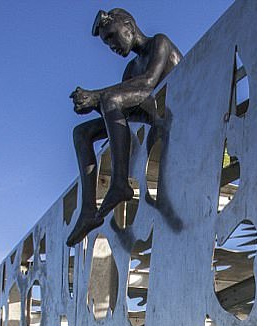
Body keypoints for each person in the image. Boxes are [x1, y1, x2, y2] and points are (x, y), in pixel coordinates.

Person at [66, 8, 182, 246]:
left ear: (129, 25)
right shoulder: (130, 70)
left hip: (183, 120)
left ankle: (120, 183)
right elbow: (123, 110)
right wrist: (92, 103)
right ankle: (88, 210)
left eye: (111, 36)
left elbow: (148, 84)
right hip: (156, 122)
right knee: (81, 133)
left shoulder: (159, 43)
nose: (111, 46)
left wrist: (96, 96)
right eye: (106, 42)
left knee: (109, 97)